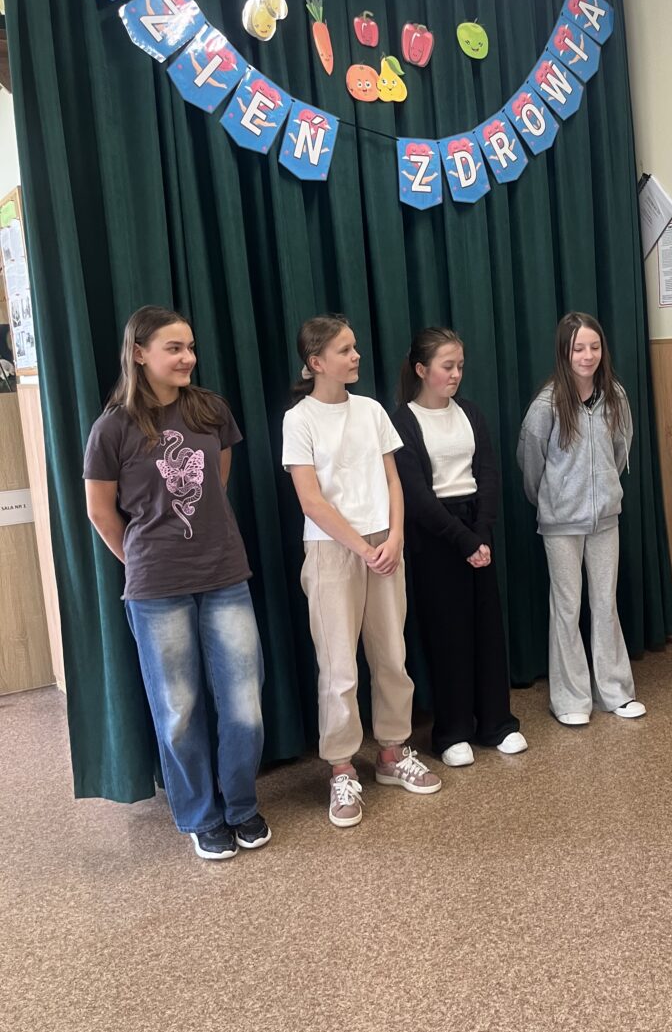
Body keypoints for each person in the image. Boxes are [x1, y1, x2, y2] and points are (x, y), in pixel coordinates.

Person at [84, 306, 270, 861]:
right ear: (139, 353)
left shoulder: (211, 411)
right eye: (174, 348)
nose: (188, 357)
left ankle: (241, 806)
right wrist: (143, 561)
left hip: (225, 576)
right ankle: (200, 816)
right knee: (179, 709)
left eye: (190, 347)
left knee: (244, 704)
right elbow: (100, 512)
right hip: (156, 590)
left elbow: (218, 483)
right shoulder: (111, 428)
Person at [282, 314, 440, 828]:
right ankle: (342, 767)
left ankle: (392, 753)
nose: (356, 357)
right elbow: (311, 499)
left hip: (384, 545)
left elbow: (393, 481)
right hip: (332, 551)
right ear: (316, 362)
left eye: (355, 348)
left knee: (392, 654)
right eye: (345, 350)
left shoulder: (371, 411)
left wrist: (393, 538)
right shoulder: (299, 420)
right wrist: (360, 547)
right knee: (339, 668)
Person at [392, 327, 526, 767]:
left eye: (460, 367)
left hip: (475, 529)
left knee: (487, 629)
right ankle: (452, 731)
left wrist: (481, 533)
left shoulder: (470, 412)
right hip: (436, 536)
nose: (455, 375)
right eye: (447, 366)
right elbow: (416, 495)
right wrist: (464, 540)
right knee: (447, 633)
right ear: (421, 369)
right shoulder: (403, 420)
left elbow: (487, 473)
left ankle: (497, 723)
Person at [517, 311, 646, 725]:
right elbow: (531, 464)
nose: (587, 356)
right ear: (564, 352)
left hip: (605, 519)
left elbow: (620, 450)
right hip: (561, 523)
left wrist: (604, 492)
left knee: (605, 603)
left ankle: (615, 691)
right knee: (567, 607)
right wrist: (554, 500)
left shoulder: (615, 397)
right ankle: (571, 700)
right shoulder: (546, 405)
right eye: (578, 348)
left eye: (594, 347)